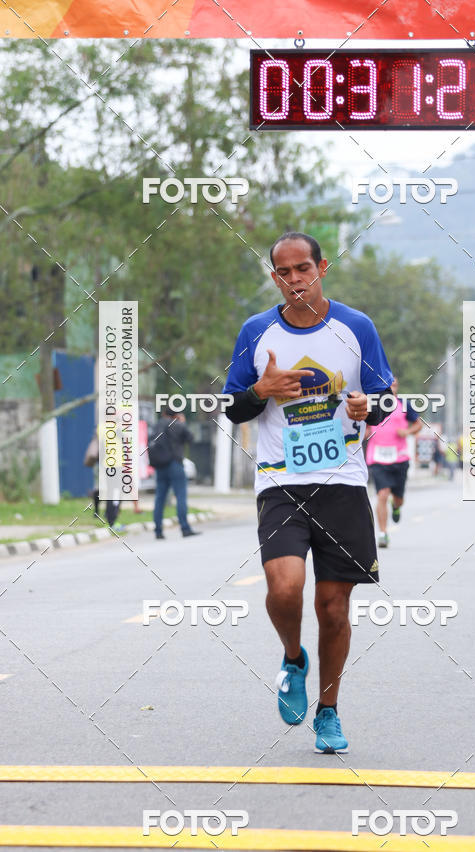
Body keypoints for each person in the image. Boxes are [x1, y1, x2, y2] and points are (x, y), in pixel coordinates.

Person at [224, 231, 393, 754]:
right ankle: (293, 657)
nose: (296, 280)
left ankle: (329, 710)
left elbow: (386, 398)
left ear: (323, 268)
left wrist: (371, 408)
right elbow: (232, 407)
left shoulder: (356, 327)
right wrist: (260, 391)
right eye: (285, 272)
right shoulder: (256, 332)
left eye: (304, 269)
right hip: (280, 481)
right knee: (283, 588)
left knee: (334, 607)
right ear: (275, 277)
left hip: (342, 481)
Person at [365, 378, 421, 548]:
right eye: (388, 385)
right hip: (378, 457)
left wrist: (407, 431)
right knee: (382, 494)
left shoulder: (404, 404)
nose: (391, 387)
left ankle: (396, 507)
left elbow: (418, 425)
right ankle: (382, 533)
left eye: (394, 384)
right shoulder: (373, 404)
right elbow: (365, 426)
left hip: (399, 457)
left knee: (398, 499)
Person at [149, 408, 199, 539]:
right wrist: (182, 422)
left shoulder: (157, 424)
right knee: (180, 496)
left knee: (160, 498)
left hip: (160, 465)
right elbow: (191, 438)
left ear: (164, 414)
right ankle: (185, 528)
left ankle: (158, 531)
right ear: (176, 415)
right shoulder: (177, 425)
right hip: (175, 464)